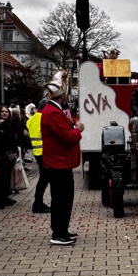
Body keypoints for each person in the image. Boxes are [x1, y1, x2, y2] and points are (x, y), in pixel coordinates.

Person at [39, 79, 84, 246]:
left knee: (64, 198)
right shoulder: (53, 112)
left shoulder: (53, 110)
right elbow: (67, 136)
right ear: (61, 96)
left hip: (60, 162)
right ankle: (58, 233)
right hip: (59, 163)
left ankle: (62, 230)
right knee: (61, 199)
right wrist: (77, 130)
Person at [25, 103, 50, 213]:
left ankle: (38, 203)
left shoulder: (31, 119)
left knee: (43, 178)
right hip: (45, 152)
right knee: (44, 179)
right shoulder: (44, 117)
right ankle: (37, 204)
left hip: (37, 152)